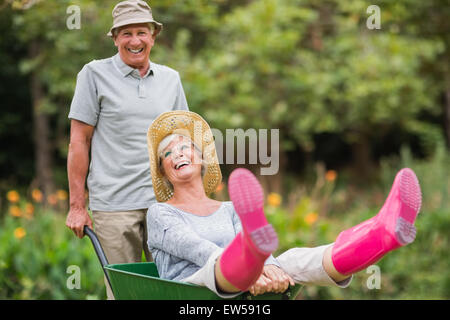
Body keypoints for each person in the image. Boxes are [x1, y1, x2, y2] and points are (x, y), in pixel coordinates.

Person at [146, 111, 422, 298]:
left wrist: (272, 266)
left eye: (185, 148)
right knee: (213, 267)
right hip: (192, 286)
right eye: (168, 153)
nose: (177, 154)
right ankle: (250, 257)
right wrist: (254, 271)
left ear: (201, 158)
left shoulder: (230, 209)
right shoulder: (160, 212)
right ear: (164, 170)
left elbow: (268, 258)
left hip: (243, 278)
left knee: (296, 260)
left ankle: (380, 233)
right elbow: (196, 248)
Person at [65, 0, 188, 299]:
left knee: (175, 289)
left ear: (153, 36)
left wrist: (192, 197)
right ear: (116, 38)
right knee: (126, 294)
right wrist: (77, 206)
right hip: (115, 206)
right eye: (127, 33)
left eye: (142, 32)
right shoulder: (94, 75)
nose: (135, 41)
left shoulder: (170, 79)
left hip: (166, 205)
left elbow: (182, 140)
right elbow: (79, 142)